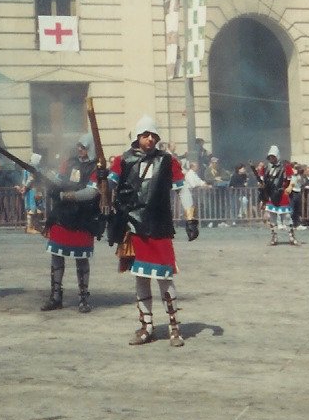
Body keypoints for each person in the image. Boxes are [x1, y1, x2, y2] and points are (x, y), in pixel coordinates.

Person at [109, 114, 199, 346]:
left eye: (153, 135)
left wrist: (191, 217)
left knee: (164, 277)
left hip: (159, 226)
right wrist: (102, 180)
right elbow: (108, 186)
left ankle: (174, 327)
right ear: (138, 136)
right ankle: (146, 326)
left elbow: (182, 189)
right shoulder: (122, 160)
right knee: (141, 276)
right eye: (145, 135)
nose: (150, 139)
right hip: (133, 226)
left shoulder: (168, 161)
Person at [40, 136, 103, 313]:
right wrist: (44, 176)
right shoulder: (69, 163)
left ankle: (83, 298)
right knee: (56, 256)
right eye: (79, 146)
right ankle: (55, 296)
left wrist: (66, 196)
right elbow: (59, 180)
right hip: (62, 215)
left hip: (84, 218)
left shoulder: (97, 167)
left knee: (81, 259)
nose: (80, 149)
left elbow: (91, 192)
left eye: (83, 147)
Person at [261, 145, 296, 246]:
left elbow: (292, 178)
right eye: (270, 157)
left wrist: (290, 187)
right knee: (272, 217)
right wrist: (261, 185)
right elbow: (262, 180)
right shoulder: (265, 168)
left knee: (287, 216)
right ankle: (274, 237)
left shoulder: (285, 167)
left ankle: (292, 237)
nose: (271, 158)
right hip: (271, 194)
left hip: (282, 194)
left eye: (273, 156)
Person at [21, 153, 44, 234]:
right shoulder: (32, 168)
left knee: (37, 209)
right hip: (32, 190)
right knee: (32, 208)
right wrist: (25, 187)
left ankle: (35, 226)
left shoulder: (29, 168)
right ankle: (30, 227)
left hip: (35, 190)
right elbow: (30, 179)